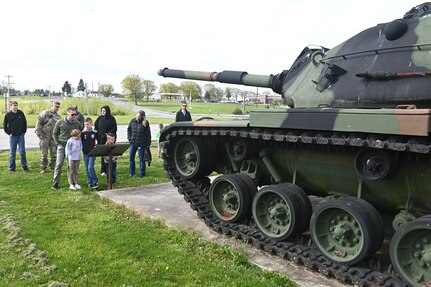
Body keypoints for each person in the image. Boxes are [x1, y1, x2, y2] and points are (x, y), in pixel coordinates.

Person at [51, 107, 82, 190]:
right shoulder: (60, 122)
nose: (74, 116)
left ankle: (72, 183)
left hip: (72, 148)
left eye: (76, 114)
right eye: (72, 114)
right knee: (59, 164)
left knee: (70, 166)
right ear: (67, 113)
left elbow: (79, 133)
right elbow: (54, 133)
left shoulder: (77, 124)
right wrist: (57, 144)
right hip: (61, 145)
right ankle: (55, 183)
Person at [35, 100, 61, 173]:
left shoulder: (58, 116)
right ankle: (43, 168)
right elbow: (39, 124)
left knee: (54, 154)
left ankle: (52, 167)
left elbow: (59, 127)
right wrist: (39, 134)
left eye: (58, 107)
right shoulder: (45, 113)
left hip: (53, 138)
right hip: (44, 136)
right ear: (52, 106)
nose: (57, 108)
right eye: (56, 106)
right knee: (44, 154)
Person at [3, 100, 28, 172]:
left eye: (16, 105)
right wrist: (9, 133)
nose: (15, 106)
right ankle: (12, 168)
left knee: (22, 151)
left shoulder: (20, 113)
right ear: (11, 106)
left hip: (21, 136)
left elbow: (25, 123)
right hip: (13, 136)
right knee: (12, 153)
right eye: (14, 105)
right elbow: (5, 125)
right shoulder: (8, 115)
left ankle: (24, 166)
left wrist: (24, 131)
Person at [127, 111, 151, 178]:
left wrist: (148, 143)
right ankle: (132, 172)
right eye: (136, 115)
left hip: (141, 144)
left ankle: (142, 173)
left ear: (142, 117)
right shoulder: (132, 121)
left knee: (141, 159)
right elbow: (129, 129)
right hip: (133, 143)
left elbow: (148, 134)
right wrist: (129, 138)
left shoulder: (145, 123)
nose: (137, 117)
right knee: (131, 158)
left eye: (139, 116)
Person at [95, 105, 117, 176]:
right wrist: (98, 135)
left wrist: (108, 135)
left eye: (104, 111)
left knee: (109, 154)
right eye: (102, 111)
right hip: (101, 139)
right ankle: (103, 170)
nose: (103, 112)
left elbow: (114, 128)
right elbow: (96, 126)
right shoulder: (100, 118)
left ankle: (109, 170)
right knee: (103, 155)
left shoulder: (112, 118)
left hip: (109, 140)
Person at [81, 117, 99, 189]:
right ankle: (90, 182)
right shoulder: (83, 133)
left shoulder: (94, 132)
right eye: (85, 124)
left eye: (88, 124)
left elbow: (99, 141)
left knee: (90, 167)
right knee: (87, 168)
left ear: (91, 124)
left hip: (92, 153)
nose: (86, 126)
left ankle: (95, 181)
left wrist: (96, 148)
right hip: (85, 153)